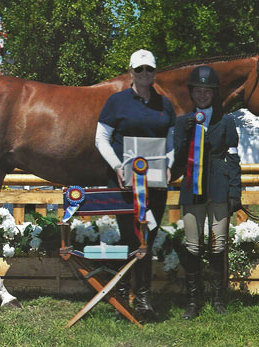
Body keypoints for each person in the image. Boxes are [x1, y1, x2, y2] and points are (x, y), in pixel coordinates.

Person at [95, 49, 175, 321]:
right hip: (124, 183)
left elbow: (171, 142)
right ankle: (119, 293)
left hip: (156, 183)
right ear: (130, 72)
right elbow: (101, 139)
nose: (144, 75)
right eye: (139, 70)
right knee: (129, 237)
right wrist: (117, 166)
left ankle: (143, 299)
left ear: (154, 73)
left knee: (148, 238)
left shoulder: (164, 105)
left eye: (149, 70)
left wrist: (169, 165)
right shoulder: (116, 102)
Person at [173, 65, 242, 319]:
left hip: (219, 189)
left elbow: (233, 157)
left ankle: (218, 298)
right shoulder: (182, 122)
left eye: (207, 90)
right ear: (192, 93)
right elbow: (177, 159)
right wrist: (185, 134)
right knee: (193, 245)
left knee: (218, 244)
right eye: (198, 90)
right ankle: (193, 300)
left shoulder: (226, 121)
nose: (202, 95)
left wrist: (235, 190)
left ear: (214, 93)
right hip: (192, 190)